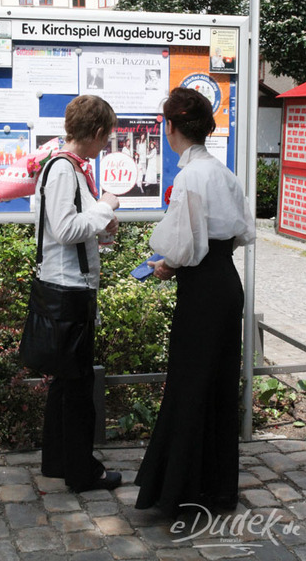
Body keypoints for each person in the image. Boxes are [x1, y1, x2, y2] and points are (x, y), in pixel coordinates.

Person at [134, 87, 255, 516]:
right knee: (218, 383)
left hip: (202, 288)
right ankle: (215, 488)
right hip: (226, 282)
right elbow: (242, 233)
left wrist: (167, 264)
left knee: (188, 384)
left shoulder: (190, 177)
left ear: (171, 128)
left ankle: (180, 491)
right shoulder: (224, 174)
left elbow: (183, 248)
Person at [35, 95, 122, 493]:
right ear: (98, 132)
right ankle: (82, 472)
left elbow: (71, 230)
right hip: (68, 292)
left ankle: (59, 462)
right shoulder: (64, 171)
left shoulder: (69, 168)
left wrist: (101, 232)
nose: (107, 146)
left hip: (69, 288)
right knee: (77, 388)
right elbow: (64, 230)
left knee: (66, 384)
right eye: (107, 138)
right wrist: (104, 208)